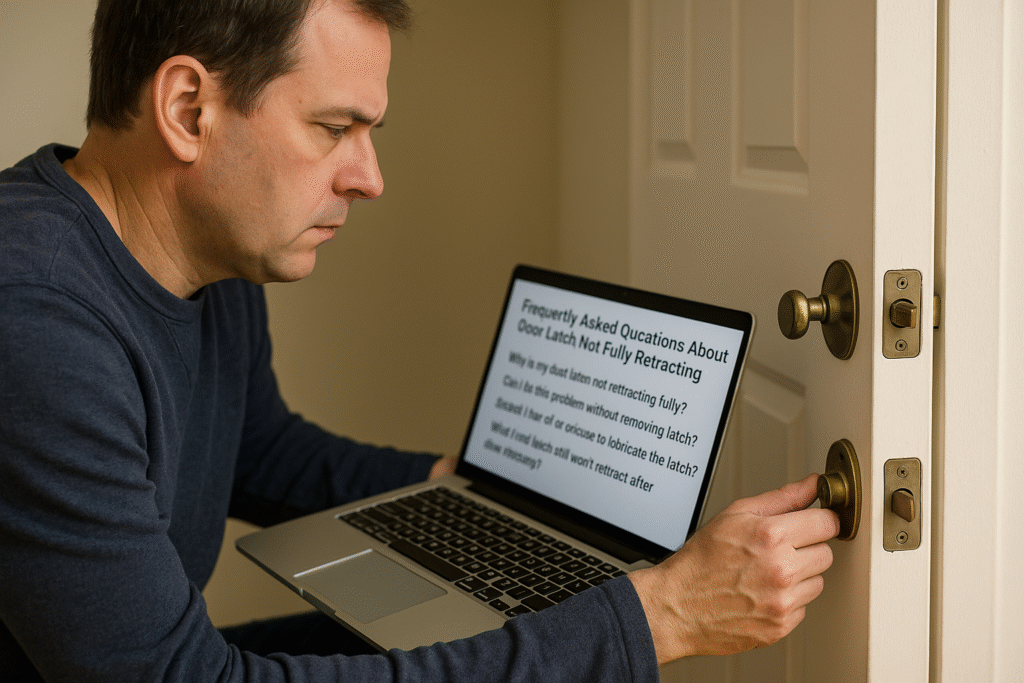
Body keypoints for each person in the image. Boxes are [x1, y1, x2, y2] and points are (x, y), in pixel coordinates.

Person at [0, 0, 840, 680]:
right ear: (190, 109)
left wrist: (459, 488)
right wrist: (659, 617)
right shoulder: (35, 319)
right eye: (334, 128)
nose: (369, 177)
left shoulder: (205, 258)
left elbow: (256, 449)